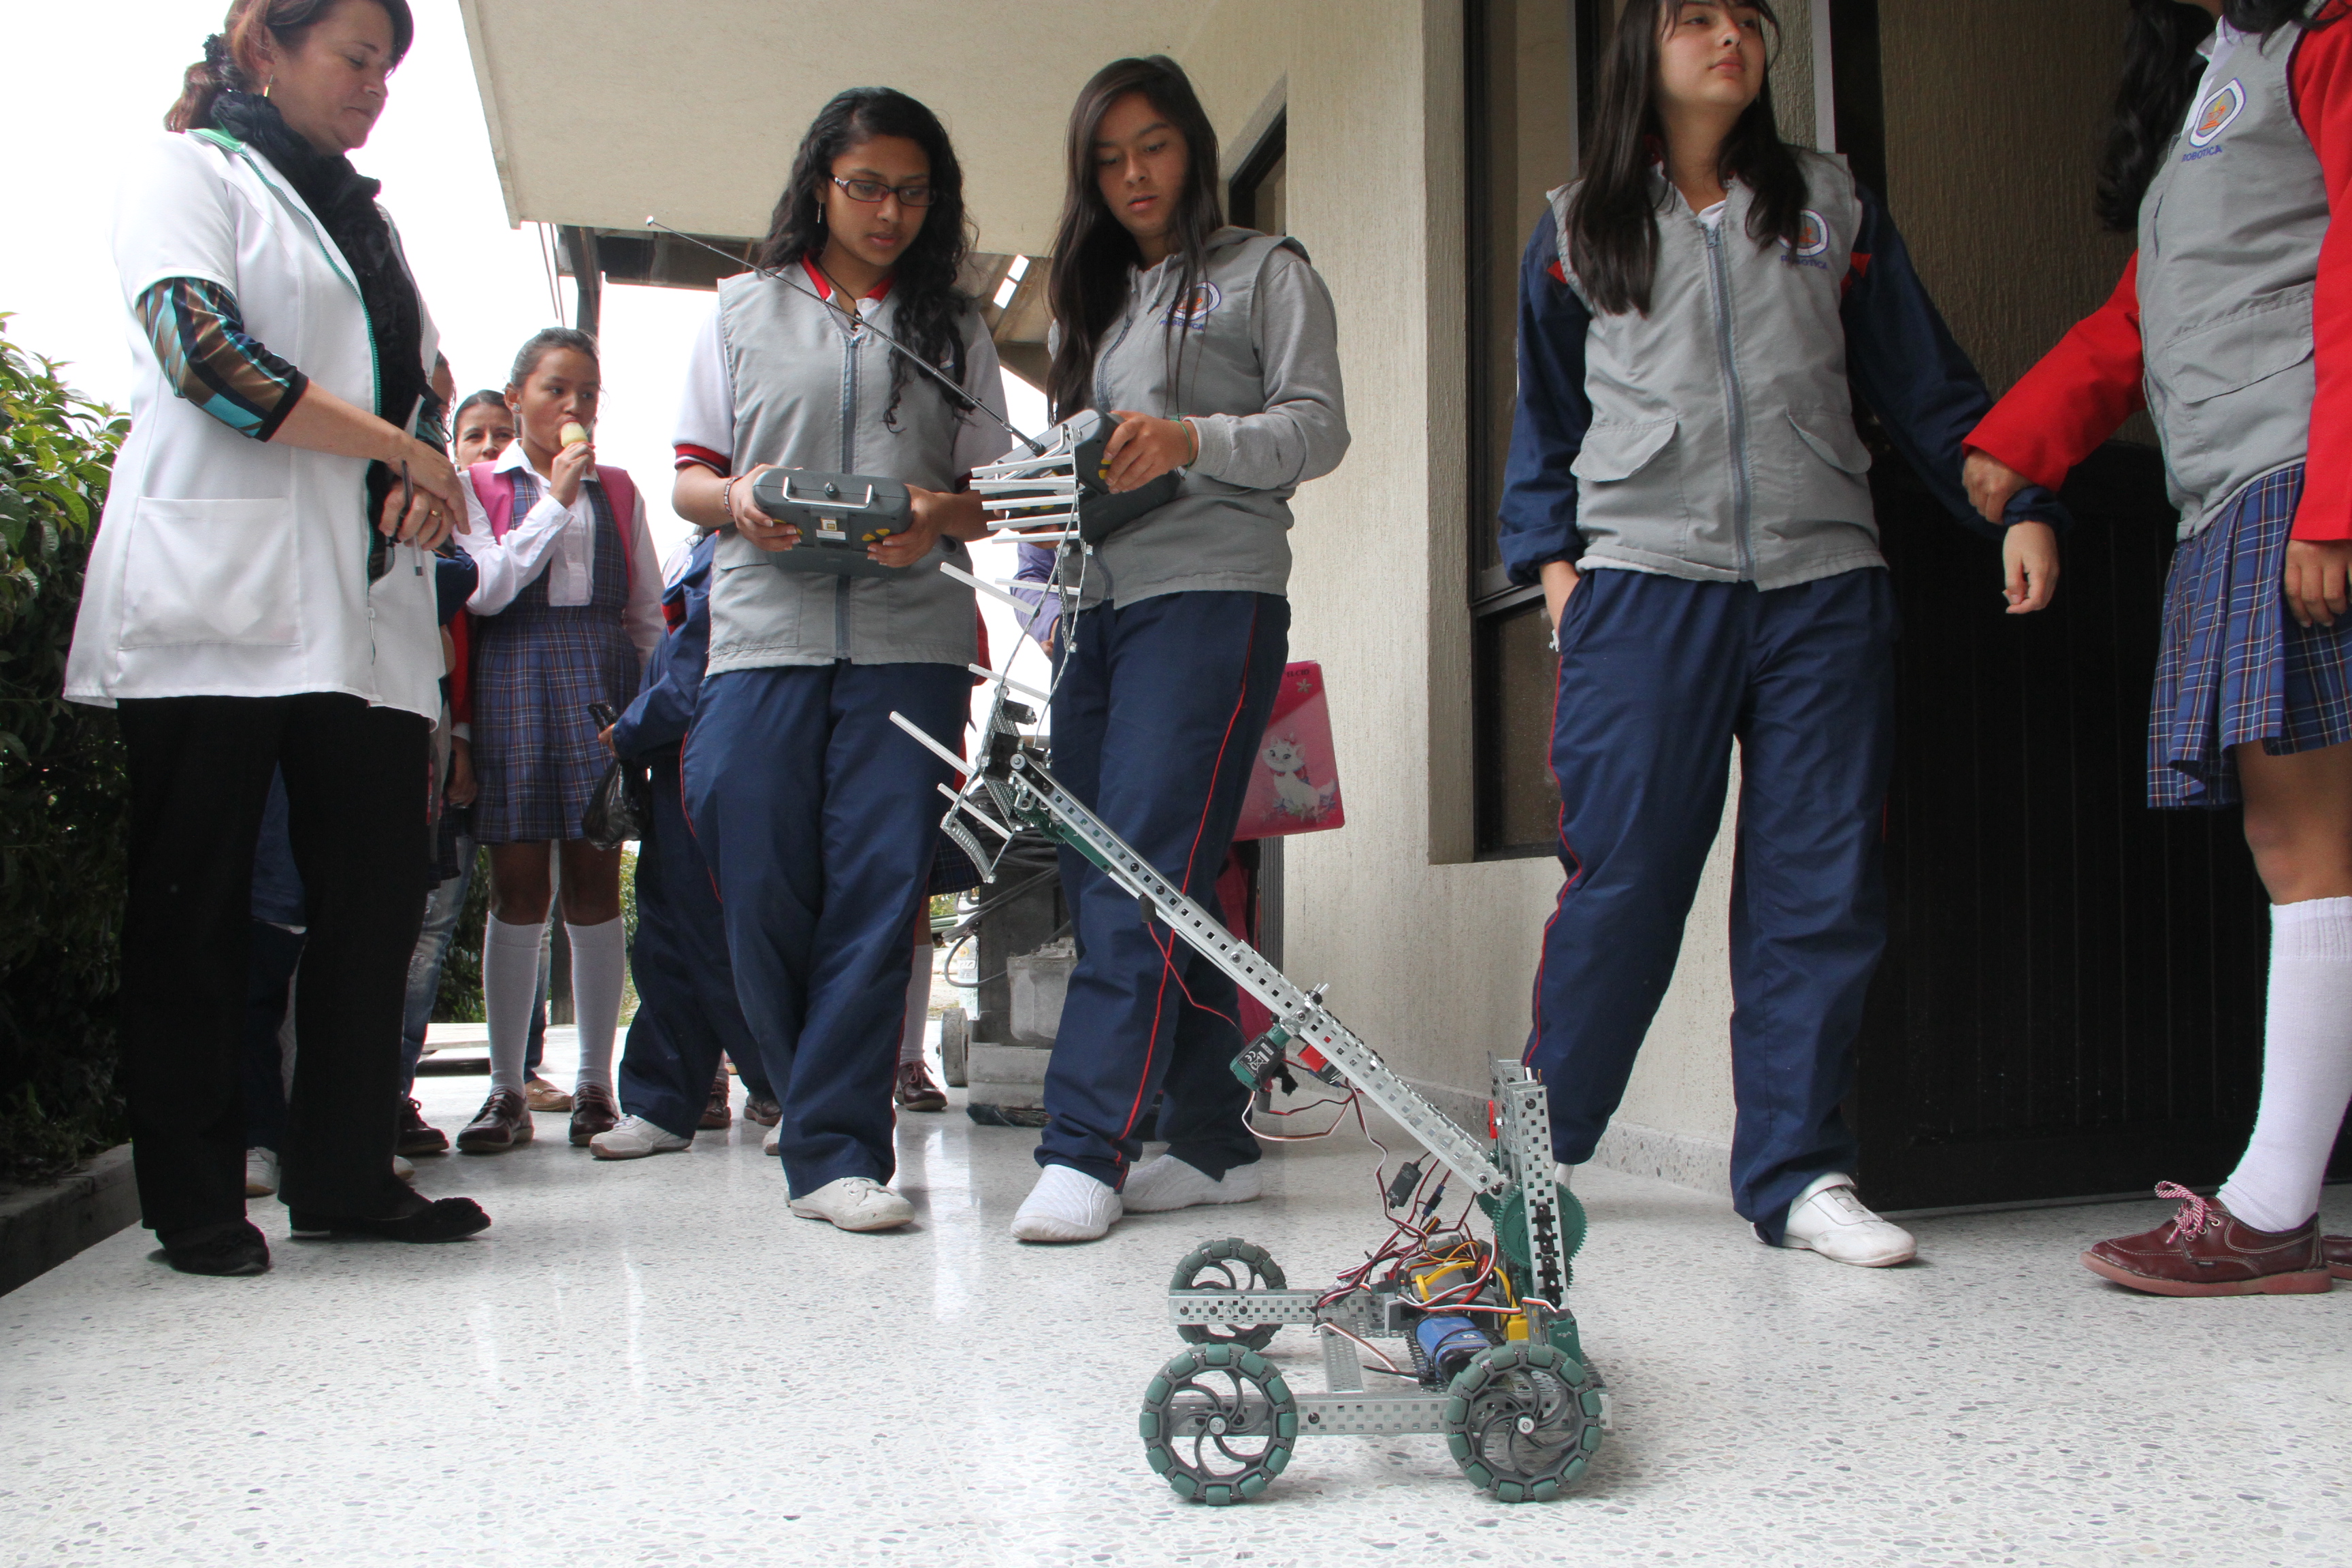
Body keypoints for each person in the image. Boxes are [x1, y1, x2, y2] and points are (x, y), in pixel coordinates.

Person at [1500, 0, 2069, 1269]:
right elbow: (1544, 424)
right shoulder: (1578, 226)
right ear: (1642, 48)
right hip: (1644, 587)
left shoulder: (1827, 207)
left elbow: (1924, 383)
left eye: (1749, 18)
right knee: (1626, 882)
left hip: (1825, 585)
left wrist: (2021, 502)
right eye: (1696, 17)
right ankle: (1536, 1156)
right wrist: (1556, 576)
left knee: (1818, 887)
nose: (1731, 37)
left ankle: (1800, 1171)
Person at [66, 0, 490, 1275]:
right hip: (217, 592)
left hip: (360, 605)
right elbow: (205, 356)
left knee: (373, 893)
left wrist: (424, 464)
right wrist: (400, 447)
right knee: (195, 898)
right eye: (356, 58)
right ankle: (194, 1196)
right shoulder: (188, 174)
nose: (375, 87)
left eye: (388, 69)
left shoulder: (369, 223)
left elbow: (423, 382)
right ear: (265, 47)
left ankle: (346, 1173)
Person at [1965, 0, 2352, 1295]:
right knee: (2306, 841)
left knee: (2303, 840)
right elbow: (2148, 313)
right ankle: (2279, 1205)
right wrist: (2021, 439)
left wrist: (2336, 503)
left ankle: (2272, 1211)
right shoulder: (2216, 76)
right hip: (2246, 488)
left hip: (2297, 478)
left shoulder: (2328, 41)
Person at [1011, 55, 1350, 1243]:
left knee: (1139, 873)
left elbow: (1319, 427)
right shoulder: (1094, 303)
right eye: (1108, 160)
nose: (1133, 175)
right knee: (1149, 874)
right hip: (1096, 612)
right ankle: (1211, 1140)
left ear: (1194, 149)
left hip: (1210, 598)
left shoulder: (1267, 270)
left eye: (1152, 145)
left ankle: (1082, 1147)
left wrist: (1192, 437)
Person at [671, 86, 1009, 1230]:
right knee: (752, 854)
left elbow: (993, 496)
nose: (888, 212)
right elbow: (690, 478)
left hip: (912, 641)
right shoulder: (742, 309)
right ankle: (809, 1095)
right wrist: (739, 499)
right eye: (866, 186)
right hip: (763, 632)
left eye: (912, 192)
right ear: (821, 184)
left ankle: (833, 1149)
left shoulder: (954, 327)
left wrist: (933, 515)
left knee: (878, 885)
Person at [451, 329, 662, 1154]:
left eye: (588, 394)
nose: (574, 407)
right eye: (556, 390)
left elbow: (645, 613)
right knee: (515, 886)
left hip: (599, 685)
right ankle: (506, 1087)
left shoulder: (621, 489)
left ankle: (596, 1085)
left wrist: (641, 715)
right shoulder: (476, 485)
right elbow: (485, 592)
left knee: (594, 878)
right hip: (511, 673)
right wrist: (555, 501)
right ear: (516, 400)